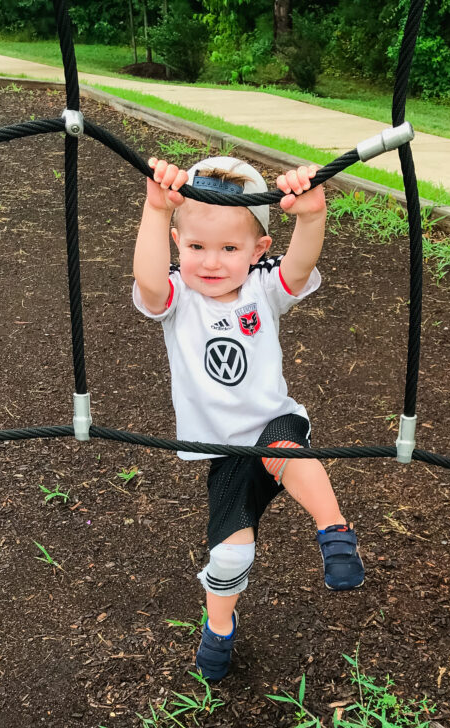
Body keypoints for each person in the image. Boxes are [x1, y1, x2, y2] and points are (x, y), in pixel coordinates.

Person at [132, 154, 364, 681]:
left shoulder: (263, 288)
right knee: (231, 557)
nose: (211, 262)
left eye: (229, 248)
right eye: (195, 247)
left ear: (258, 249)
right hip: (226, 452)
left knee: (288, 452)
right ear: (177, 243)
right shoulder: (178, 297)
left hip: (272, 425)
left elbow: (298, 266)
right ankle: (219, 626)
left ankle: (335, 533)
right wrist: (153, 207)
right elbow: (147, 280)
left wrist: (311, 216)